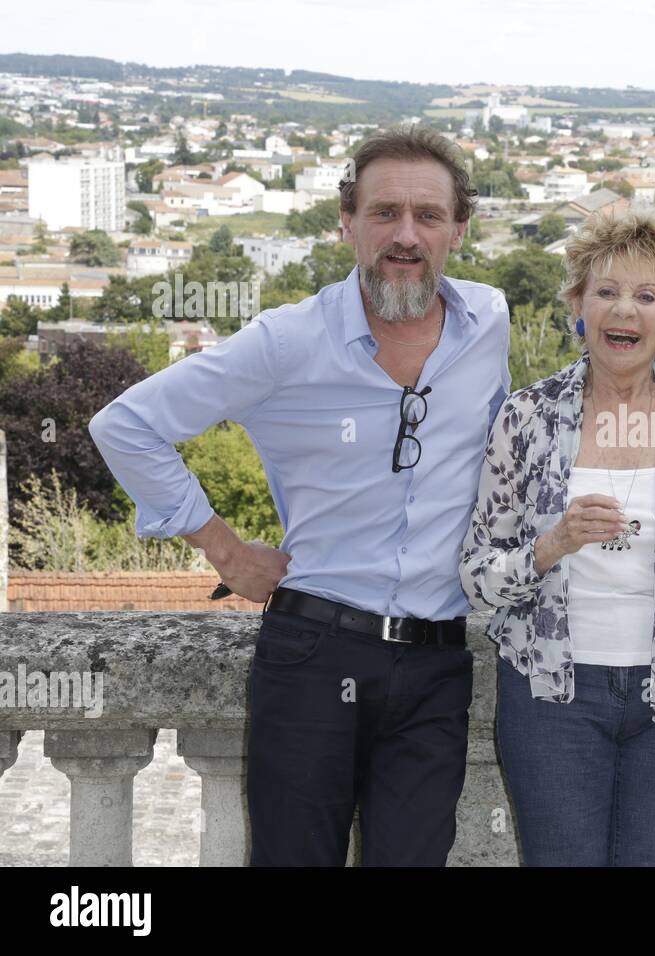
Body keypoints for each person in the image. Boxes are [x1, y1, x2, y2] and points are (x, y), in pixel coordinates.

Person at [89, 126, 511, 866]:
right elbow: (125, 426)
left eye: (428, 216)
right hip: (315, 657)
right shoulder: (285, 343)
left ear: (459, 230)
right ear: (347, 223)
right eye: (384, 213)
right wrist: (222, 549)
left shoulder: (491, 323)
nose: (406, 235)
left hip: (438, 665)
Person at [460, 210, 655, 866]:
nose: (625, 309)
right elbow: (477, 574)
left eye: (647, 295)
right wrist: (550, 545)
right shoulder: (527, 417)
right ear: (578, 306)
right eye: (606, 291)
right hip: (551, 696)